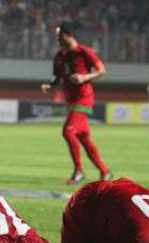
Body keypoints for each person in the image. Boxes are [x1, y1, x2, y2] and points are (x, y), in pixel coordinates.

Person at [41, 22, 111, 184]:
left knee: (68, 132)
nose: (57, 39)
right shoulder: (59, 56)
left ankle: (78, 171)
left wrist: (85, 77)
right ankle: (104, 171)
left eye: (59, 35)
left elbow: (102, 70)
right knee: (84, 138)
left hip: (84, 98)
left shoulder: (84, 52)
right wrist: (50, 85)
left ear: (67, 34)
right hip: (71, 100)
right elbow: (56, 77)